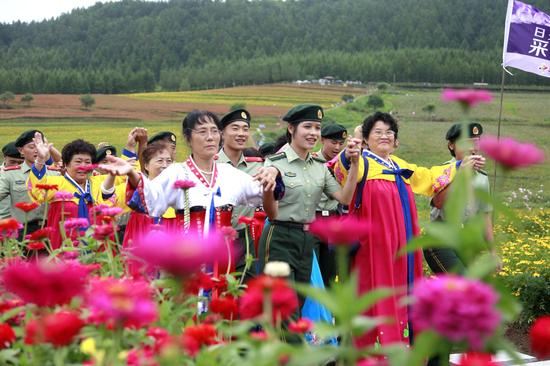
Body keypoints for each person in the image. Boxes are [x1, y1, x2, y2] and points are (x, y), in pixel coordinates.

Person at [334, 112, 465, 347]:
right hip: (373, 244)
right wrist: (350, 153)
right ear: (366, 140)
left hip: (402, 242)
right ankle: (371, 348)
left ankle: (402, 343)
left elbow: (429, 177)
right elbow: (342, 168)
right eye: (377, 132)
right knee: (374, 287)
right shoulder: (362, 162)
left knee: (402, 286)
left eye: (389, 133)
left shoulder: (400, 166)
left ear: (396, 142)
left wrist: (459, 165)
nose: (384, 136)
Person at [102, 110, 284, 275]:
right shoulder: (176, 173)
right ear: (188, 138)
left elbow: (270, 203)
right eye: (202, 132)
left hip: (225, 265)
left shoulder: (231, 175)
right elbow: (149, 200)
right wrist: (133, 173)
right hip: (187, 264)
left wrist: (273, 173)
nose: (210, 137)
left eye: (214, 131)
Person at [258, 104, 359, 305]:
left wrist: (355, 164)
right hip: (280, 235)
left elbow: (344, 198)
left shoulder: (319, 168)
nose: (313, 133)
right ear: (291, 128)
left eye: (317, 128)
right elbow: (271, 212)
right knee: (282, 304)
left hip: (306, 238)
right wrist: (269, 189)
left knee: (300, 301)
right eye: (307, 127)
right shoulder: (275, 163)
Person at [27, 135, 126, 249]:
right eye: (78, 162)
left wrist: (130, 147)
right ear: (66, 164)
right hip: (68, 247)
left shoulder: (100, 181)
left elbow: (130, 179)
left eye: (87, 162)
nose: (83, 166)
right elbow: (36, 189)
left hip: (100, 247)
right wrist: (40, 159)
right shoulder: (56, 183)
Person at [424, 122, 492, 274]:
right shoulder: (443, 171)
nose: (473, 148)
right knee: (463, 286)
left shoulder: (482, 178)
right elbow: (439, 203)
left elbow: (485, 216)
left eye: (476, 142)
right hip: (440, 239)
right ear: (451, 146)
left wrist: (492, 252)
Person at [217, 109, 265, 278]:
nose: (241, 133)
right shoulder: (211, 164)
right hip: (215, 238)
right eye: (235, 128)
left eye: (245, 129)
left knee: (247, 287)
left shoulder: (258, 168)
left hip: (245, 238)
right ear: (222, 133)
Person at [0, 131, 60, 238]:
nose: (37, 149)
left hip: (51, 229)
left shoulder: (55, 173)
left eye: (41, 145)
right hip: (22, 231)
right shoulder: (10, 174)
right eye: (32, 147)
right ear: (21, 151)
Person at [312, 123, 348, 287]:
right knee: (312, 270)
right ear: (322, 140)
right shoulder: (311, 161)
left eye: (341, 143)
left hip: (334, 220)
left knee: (330, 271)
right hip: (313, 219)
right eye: (333, 142)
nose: (337, 147)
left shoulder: (345, 166)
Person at [1, 142, 24, 219]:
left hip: (23, 223)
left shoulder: (32, 175)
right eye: (12, 162)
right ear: (4, 157)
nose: (16, 166)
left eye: (21, 163)